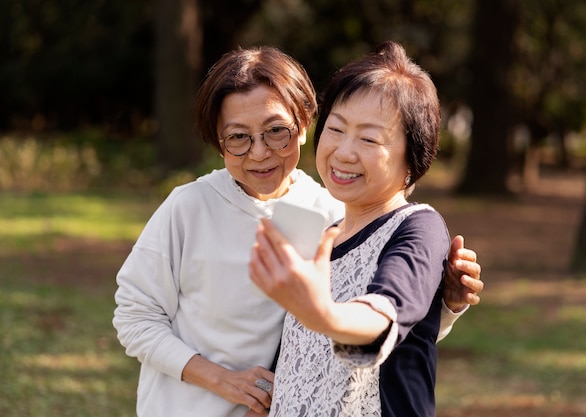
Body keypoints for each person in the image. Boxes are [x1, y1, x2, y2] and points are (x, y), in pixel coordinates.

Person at [113, 45, 482, 417]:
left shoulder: (335, 213)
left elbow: (383, 328)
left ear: (305, 124)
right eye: (238, 137)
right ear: (217, 140)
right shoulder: (189, 207)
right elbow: (134, 315)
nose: (259, 153)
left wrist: (445, 305)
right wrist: (222, 380)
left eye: (276, 131)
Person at [249, 41, 455, 416]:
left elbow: (383, 315)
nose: (344, 151)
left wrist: (323, 314)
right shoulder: (320, 232)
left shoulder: (418, 228)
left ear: (413, 157)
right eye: (336, 129)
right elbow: (297, 364)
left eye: (369, 138)